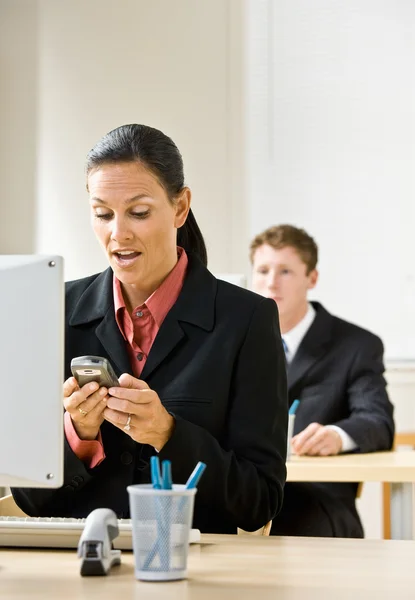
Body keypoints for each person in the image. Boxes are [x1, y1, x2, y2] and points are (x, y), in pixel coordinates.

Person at [12, 124, 288, 534]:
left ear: (180, 208)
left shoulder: (247, 320)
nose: (118, 233)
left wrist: (168, 434)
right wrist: (79, 434)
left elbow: (258, 501)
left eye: (138, 212)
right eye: (103, 214)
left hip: (196, 573)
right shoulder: (54, 309)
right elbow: (29, 499)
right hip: (78, 571)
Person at [250, 224, 395, 537]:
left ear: (311, 278)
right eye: (262, 270)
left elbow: (377, 420)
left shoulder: (356, 345)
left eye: (285, 271)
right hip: (244, 495)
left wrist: (336, 435)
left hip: (317, 504)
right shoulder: (231, 341)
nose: (271, 282)